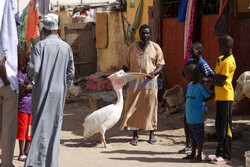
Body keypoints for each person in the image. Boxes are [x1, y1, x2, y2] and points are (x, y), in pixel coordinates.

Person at [24, 13, 75, 167]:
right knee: (54, 126)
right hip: (59, 92)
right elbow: (70, 72)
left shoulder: (40, 46)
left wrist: (27, 79)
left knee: (40, 124)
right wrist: (66, 87)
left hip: (42, 90)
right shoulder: (66, 47)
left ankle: (35, 162)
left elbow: (34, 70)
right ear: (57, 28)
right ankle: (51, 162)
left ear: (44, 28)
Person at [120, 24, 165, 146]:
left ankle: (152, 134)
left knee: (151, 108)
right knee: (133, 108)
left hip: (150, 84)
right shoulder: (132, 48)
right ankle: (135, 136)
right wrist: (120, 75)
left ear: (150, 34)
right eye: (143, 33)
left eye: (147, 33)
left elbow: (161, 65)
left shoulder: (155, 48)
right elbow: (125, 66)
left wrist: (153, 73)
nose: (145, 35)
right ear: (139, 34)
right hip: (134, 84)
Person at [179, 42, 214, 154]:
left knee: (197, 124)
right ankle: (188, 144)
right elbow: (185, 76)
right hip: (190, 96)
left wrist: (207, 94)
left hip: (199, 97)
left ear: (199, 51)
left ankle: (197, 150)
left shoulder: (203, 64)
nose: (190, 52)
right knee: (186, 121)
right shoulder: (190, 62)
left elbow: (213, 78)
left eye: (192, 50)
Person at [207, 35, 236, 165]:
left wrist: (211, 79)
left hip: (227, 96)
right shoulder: (220, 59)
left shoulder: (230, 61)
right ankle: (219, 152)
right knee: (219, 125)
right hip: (220, 96)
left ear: (228, 46)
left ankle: (227, 155)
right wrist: (212, 83)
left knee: (226, 126)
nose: (219, 49)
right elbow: (216, 77)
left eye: (221, 47)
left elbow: (221, 80)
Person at [182, 64, 212, 162]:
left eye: (186, 75)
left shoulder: (199, 86)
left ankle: (199, 156)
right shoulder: (189, 85)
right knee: (192, 137)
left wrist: (203, 100)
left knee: (199, 138)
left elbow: (208, 95)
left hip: (197, 118)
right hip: (190, 118)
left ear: (193, 75)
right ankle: (192, 154)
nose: (185, 77)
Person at [16, 53, 32, 161]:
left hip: (33, 106)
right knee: (22, 129)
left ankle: (27, 151)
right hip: (23, 106)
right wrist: (31, 86)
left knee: (30, 130)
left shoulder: (35, 75)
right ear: (24, 62)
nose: (29, 63)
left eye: (32, 61)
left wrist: (29, 86)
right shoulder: (20, 74)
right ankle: (21, 153)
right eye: (27, 61)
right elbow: (21, 89)